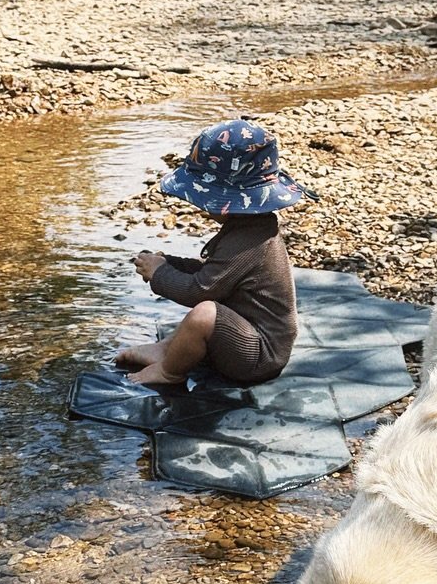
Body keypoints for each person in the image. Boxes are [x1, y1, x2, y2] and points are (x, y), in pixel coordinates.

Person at [115, 118, 305, 387]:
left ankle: (170, 371)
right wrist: (170, 262)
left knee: (204, 314)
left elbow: (200, 290)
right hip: (246, 335)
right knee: (208, 309)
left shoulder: (249, 240)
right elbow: (215, 274)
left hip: (260, 356)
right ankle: (168, 349)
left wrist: (160, 274)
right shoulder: (252, 227)